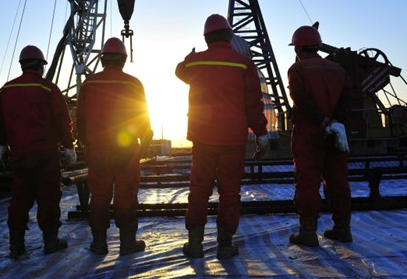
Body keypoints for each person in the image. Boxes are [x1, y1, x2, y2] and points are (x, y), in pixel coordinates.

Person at [175, 14, 269, 259]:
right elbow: (253, 104)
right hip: (233, 139)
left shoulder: (195, 64)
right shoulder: (244, 64)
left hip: (203, 138)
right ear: (229, 36)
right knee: (229, 192)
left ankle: (195, 243)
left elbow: (180, 71)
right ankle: (225, 245)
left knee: (199, 190)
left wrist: (191, 56)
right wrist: (261, 133)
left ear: (206, 37)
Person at [0, 45, 77, 258]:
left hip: (20, 156)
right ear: (41, 65)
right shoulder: (49, 89)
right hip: (45, 156)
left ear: (22, 65)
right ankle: (50, 241)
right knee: (48, 198)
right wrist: (69, 146)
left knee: (20, 200)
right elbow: (62, 120)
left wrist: (2, 147)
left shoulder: (6, 90)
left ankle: (16, 246)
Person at [76, 37, 153, 256]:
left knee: (99, 195)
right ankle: (127, 242)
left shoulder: (89, 84)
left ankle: (99, 243)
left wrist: (86, 142)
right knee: (126, 194)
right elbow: (142, 116)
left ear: (102, 60)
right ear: (123, 60)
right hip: (126, 149)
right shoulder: (133, 83)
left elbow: (80, 119)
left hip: (98, 149)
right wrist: (145, 140)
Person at [287, 25, 353, 247]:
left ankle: (307, 232)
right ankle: (343, 228)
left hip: (309, 130)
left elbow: (301, 99)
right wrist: (334, 122)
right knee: (338, 180)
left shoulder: (297, 70)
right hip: (336, 131)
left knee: (307, 180)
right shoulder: (338, 70)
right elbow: (347, 99)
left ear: (298, 48)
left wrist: (321, 120)